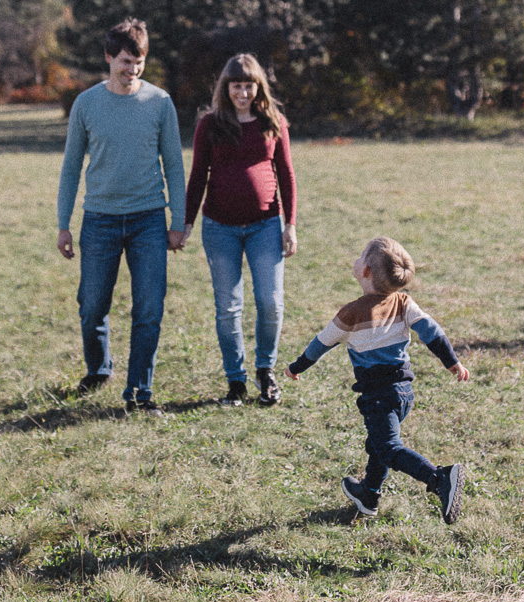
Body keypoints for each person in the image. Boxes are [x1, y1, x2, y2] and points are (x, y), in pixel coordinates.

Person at [286, 236, 470, 523]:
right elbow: (432, 332)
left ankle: (439, 478)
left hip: (378, 397)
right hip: (403, 393)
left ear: (367, 272)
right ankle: (368, 494)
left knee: (387, 447)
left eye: (361, 256)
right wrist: (452, 362)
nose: (357, 260)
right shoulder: (403, 303)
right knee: (378, 445)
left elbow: (320, 344)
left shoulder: (352, 313)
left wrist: (296, 366)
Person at [56, 19, 187, 414]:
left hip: (149, 219)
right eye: (126, 61)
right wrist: (63, 224)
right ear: (109, 58)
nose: (133, 70)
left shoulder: (160, 103)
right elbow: (71, 167)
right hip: (100, 220)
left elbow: (175, 166)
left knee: (149, 307)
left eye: (140, 62)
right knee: (92, 303)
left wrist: (178, 221)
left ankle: (138, 392)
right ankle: (99, 368)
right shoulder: (86, 104)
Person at [183, 53, 297, 408]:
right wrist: (185, 224)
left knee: (270, 302)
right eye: (236, 86)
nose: (243, 93)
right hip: (219, 228)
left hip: (266, 225)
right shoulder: (210, 124)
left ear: (258, 86)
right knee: (228, 307)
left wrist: (290, 224)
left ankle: (266, 371)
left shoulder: (273, 122)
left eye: (249, 85)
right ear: (226, 87)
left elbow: (287, 175)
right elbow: (198, 174)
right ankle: (236, 381)